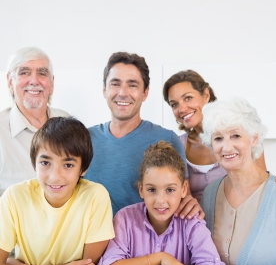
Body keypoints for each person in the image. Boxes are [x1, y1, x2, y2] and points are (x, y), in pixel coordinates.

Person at [200, 98, 276, 265]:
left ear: (254, 138)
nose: (227, 148)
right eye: (218, 138)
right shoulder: (210, 193)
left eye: (236, 136)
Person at [85, 52, 202, 218]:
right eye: (115, 84)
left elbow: (182, 200)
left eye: (132, 85)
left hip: (146, 242)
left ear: (145, 93)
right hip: (94, 242)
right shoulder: (85, 139)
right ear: (104, 90)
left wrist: (190, 205)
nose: (123, 92)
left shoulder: (166, 139)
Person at [0, 117, 114, 265]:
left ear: (83, 168)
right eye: (45, 162)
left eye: (68, 165)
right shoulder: (14, 197)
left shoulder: (95, 196)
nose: (55, 176)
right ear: (34, 164)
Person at [98, 141, 228, 265]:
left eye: (170, 190)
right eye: (152, 190)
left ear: (184, 188)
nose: (160, 201)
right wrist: (159, 258)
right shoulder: (125, 219)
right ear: (141, 190)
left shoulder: (191, 222)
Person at [163, 70, 276, 201]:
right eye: (174, 104)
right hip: (195, 224)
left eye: (188, 98)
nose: (181, 109)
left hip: (237, 220)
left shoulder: (244, 138)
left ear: (206, 94)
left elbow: (262, 189)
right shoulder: (177, 146)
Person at [0, 46, 70, 196]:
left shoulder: (67, 122)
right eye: (24, 73)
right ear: (10, 82)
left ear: (51, 83)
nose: (34, 80)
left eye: (42, 73)